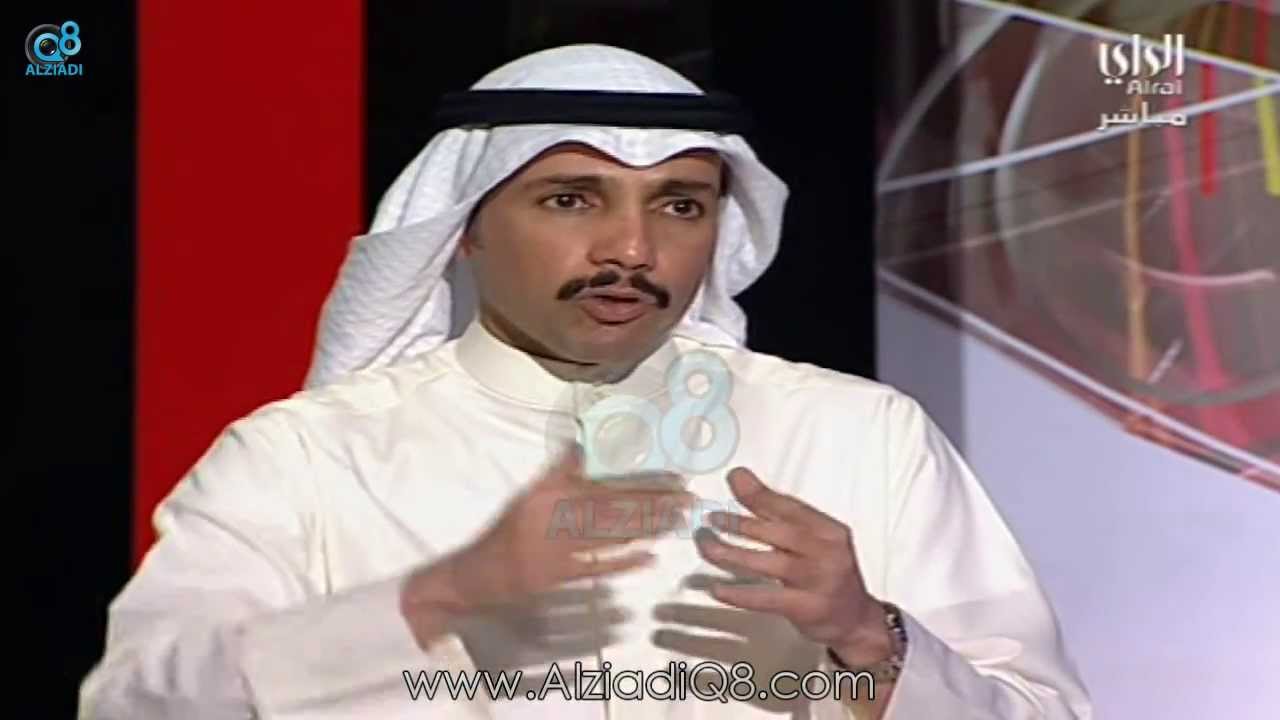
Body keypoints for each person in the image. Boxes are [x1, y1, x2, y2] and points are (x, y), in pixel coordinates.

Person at [78, 44, 1093, 719]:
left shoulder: (858, 435)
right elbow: (134, 704)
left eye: (680, 205)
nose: (631, 250)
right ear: (464, 228)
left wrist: (869, 642)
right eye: (572, 199)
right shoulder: (304, 459)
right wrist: (426, 606)